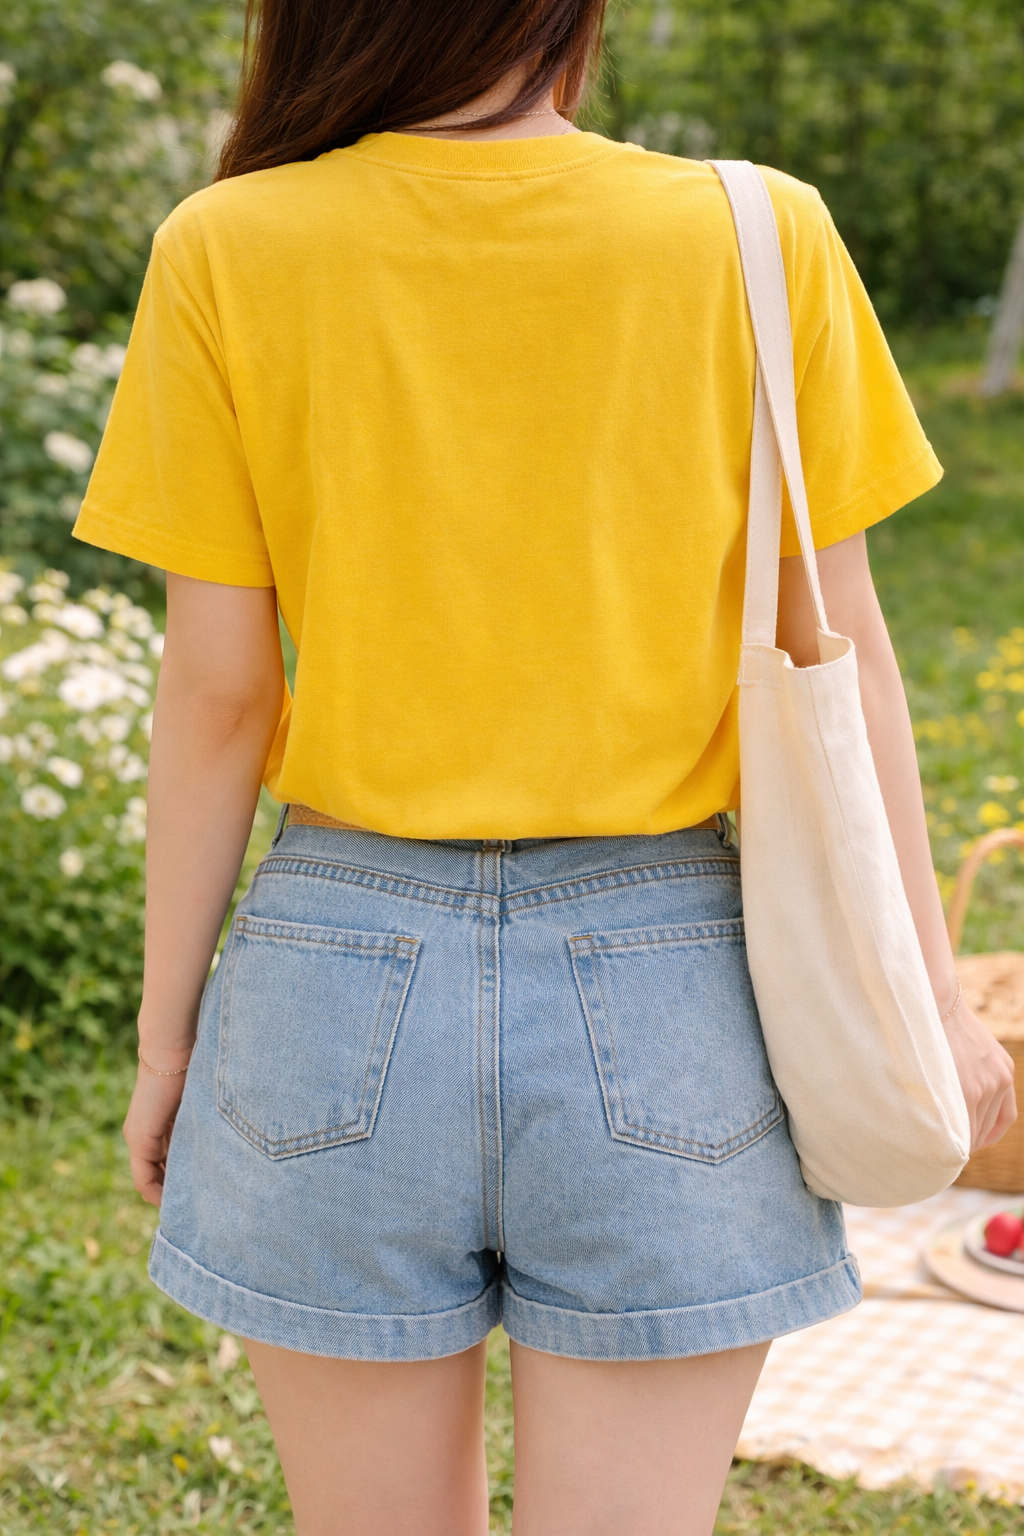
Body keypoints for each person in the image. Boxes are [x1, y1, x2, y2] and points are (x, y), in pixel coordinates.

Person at [73, 2, 1016, 1532]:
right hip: (678, 991)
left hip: (331, 976)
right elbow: (845, 652)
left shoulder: (227, 245)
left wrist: (168, 1037)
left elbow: (221, 694)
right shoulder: (757, 234)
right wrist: (923, 984)